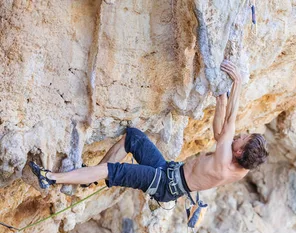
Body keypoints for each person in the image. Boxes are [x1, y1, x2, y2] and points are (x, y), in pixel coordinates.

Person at [29, 60, 268, 205]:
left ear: (238, 151)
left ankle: (51, 178)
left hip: (163, 184)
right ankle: (86, 177)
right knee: (133, 137)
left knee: (114, 171)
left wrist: (237, 83)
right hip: (168, 172)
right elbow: (221, 134)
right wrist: (221, 100)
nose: (240, 135)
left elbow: (229, 125)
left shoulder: (227, 157)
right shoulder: (239, 169)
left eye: (243, 139)